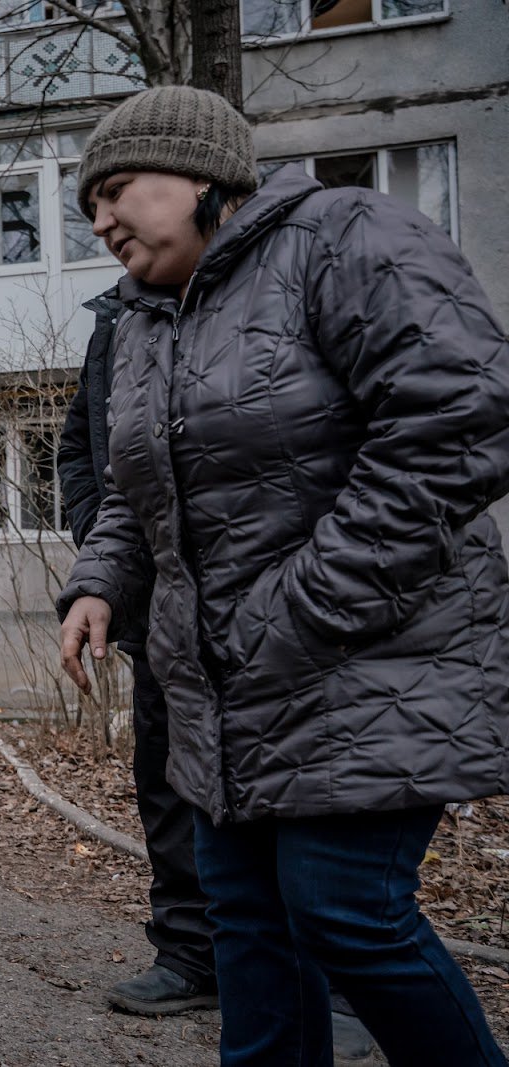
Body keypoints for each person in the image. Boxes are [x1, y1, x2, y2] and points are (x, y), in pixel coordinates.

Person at [58, 85, 509, 1067]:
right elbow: (140, 486)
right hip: (219, 679)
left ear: (201, 174)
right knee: (250, 930)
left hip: (369, 656)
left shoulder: (343, 236)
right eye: (88, 203)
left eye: (117, 188)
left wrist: (302, 604)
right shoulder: (143, 320)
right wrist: (98, 580)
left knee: (348, 915)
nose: (97, 219)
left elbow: (456, 418)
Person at [58, 290, 219, 1017]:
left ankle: (329, 982)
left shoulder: (258, 288)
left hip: (267, 598)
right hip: (157, 602)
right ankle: (190, 955)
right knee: (167, 782)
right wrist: (110, 556)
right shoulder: (119, 325)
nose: (103, 224)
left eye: (117, 197)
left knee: (288, 791)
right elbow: (83, 454)